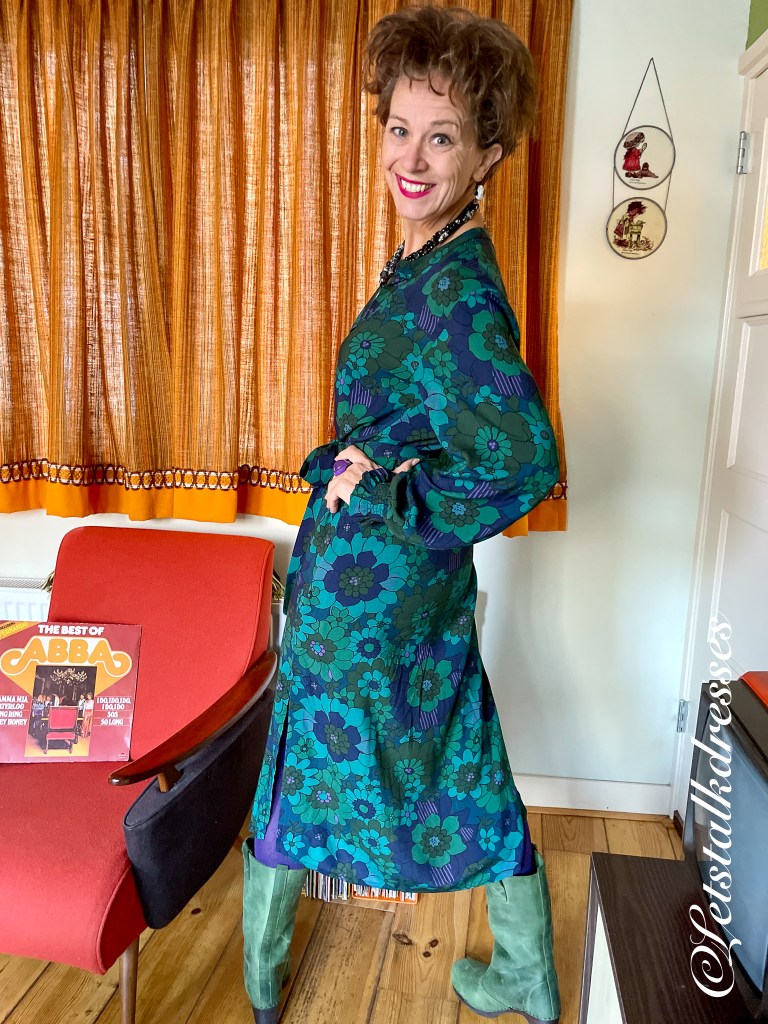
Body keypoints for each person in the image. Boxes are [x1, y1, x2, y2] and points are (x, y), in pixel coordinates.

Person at [243, 8, 561, 1024]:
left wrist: (383, 491)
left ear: (488, 156)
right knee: (458, 760)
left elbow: (522, 462)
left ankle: (259, 977)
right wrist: (359, 463)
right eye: (399, 128)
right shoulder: (427, 259)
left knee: (310, 765)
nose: (410, 160)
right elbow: (407, 421)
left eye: (442, 137)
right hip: (390, 591)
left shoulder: (456, 290)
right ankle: (529, 974)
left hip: (375, 600)